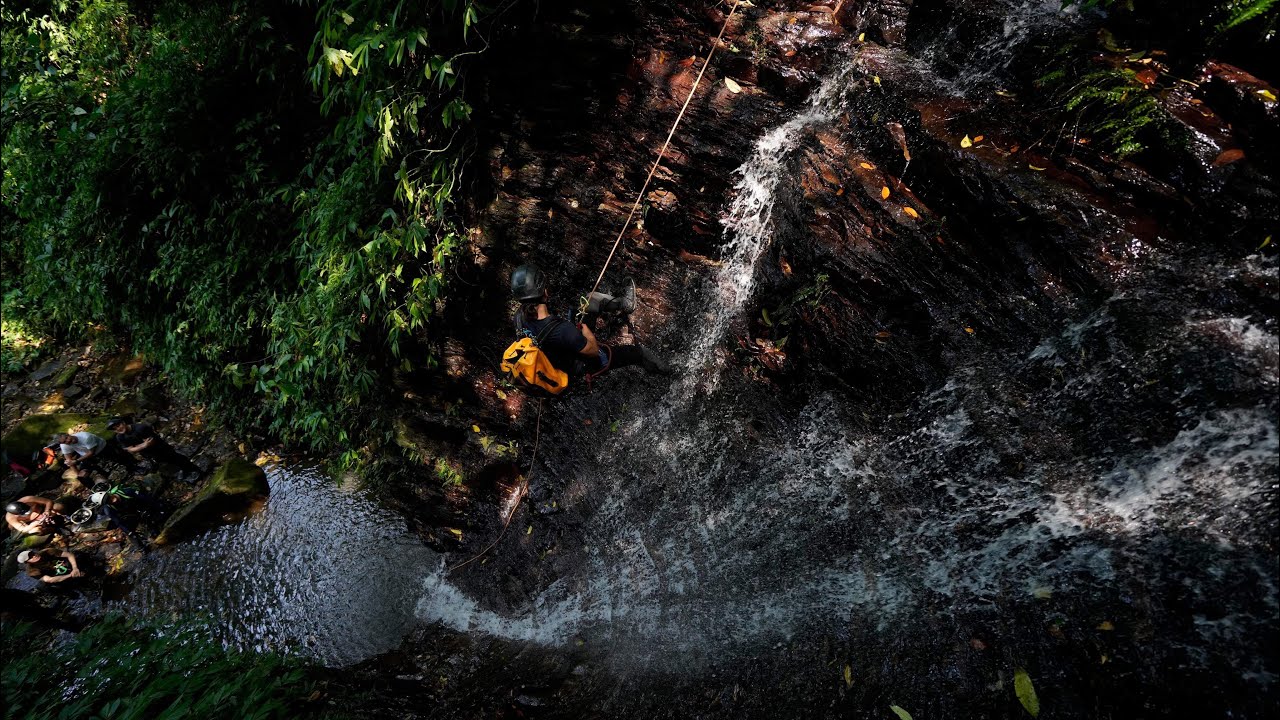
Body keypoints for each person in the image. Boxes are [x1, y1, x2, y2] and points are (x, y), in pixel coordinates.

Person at [510, 264, 670, 383]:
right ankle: (669, 372)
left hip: (559, 353)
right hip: (582, 365)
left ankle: (626, 303)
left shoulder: (518, 317)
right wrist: (586, 333)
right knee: (639, 353)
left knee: (591, 300)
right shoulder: (563, 330)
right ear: (545, 292)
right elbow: (593, 350)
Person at [106, 416, 201, 482]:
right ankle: (185, 472)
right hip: (148, 453)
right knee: (166, 463)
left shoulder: (140, 428)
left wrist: (139, 446)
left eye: (118, 425)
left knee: (176, 458)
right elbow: (130, 449)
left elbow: (151, 442)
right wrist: (143, 445)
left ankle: (195, 470)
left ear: (123, 423)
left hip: (160, 447)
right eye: (115, 429)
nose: (118, 429)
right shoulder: (120, 437)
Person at [55, 430, 139, 483]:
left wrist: (76, 461)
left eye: (67, 438)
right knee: (82, 476)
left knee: (120, 457)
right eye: (65, 441)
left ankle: (134, 467)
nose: (68, 440)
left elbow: (92, 452)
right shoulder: (64, 445)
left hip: (102, 448)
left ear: (68, 434)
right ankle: (99, 487)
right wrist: (78, 473)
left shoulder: (85, 437)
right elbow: (69, 461)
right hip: (86, 455)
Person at [5, 496, 71, 537]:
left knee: (57, 507)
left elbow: (48, 502)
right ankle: (56, 529)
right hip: (34, 522)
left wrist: (47, 511)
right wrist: (34, 524)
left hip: (45, 512)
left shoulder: (28, 499)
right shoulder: (10, 518)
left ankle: (66, 516)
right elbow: (23, 529)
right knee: (35, 530)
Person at [17, 548, 84, 584]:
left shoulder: (47, 551)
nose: (34, 556)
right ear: (27, 562)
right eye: (31, 557)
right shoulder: (32, 571)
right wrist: (70, 575)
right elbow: (49, 580)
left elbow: (69, 555)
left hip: (66, 565)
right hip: (58, 577)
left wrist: (75, 568)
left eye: (32, 553)